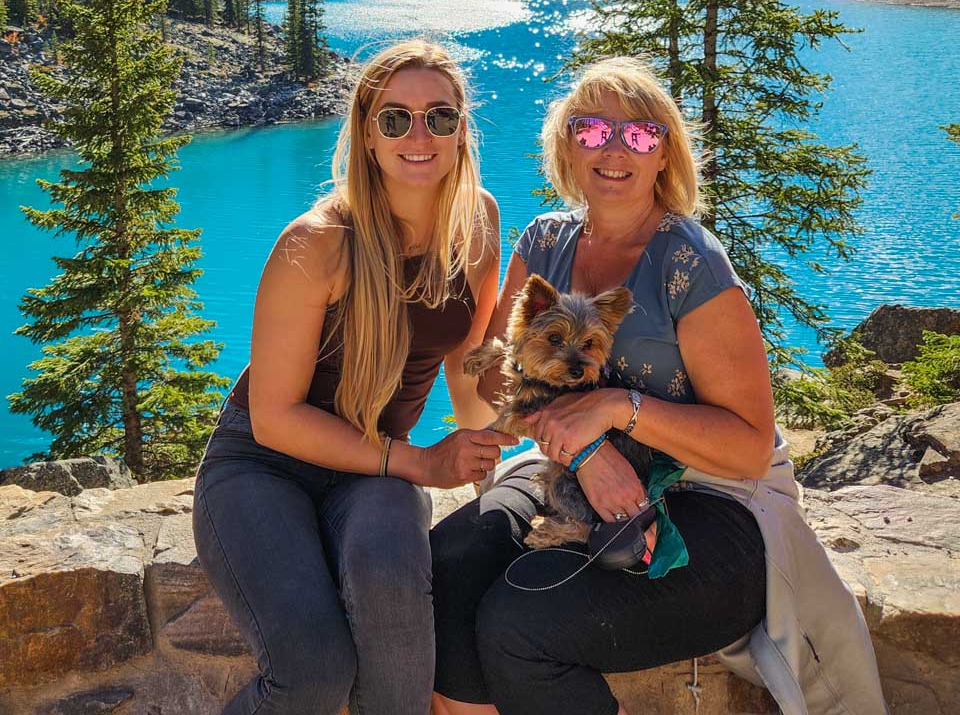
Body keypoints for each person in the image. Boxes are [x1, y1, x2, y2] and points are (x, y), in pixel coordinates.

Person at [430, 56, 887, 715]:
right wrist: (588, 451)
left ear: (663, 153)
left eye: (639, 135)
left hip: (719, 507)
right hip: (566, 474)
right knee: (447, 567)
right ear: (565, 144)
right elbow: (506, 389)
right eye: (591, 130)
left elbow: (749, 449)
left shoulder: (691, 265)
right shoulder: (545, 243)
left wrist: (618, 408)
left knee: (521, 620)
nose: (615, 149)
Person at [192, 40, 516, 715]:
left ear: (462, 129)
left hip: (373, 473)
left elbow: (465, 360)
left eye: (440, 117)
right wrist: (419, 462)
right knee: (313, 672)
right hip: (264, 466)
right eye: (395, 120)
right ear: (367, 136)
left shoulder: (478, 221)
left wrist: (492, 446)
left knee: (396, 600)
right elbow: (275, 416)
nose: (419, 136)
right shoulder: (316, 244)